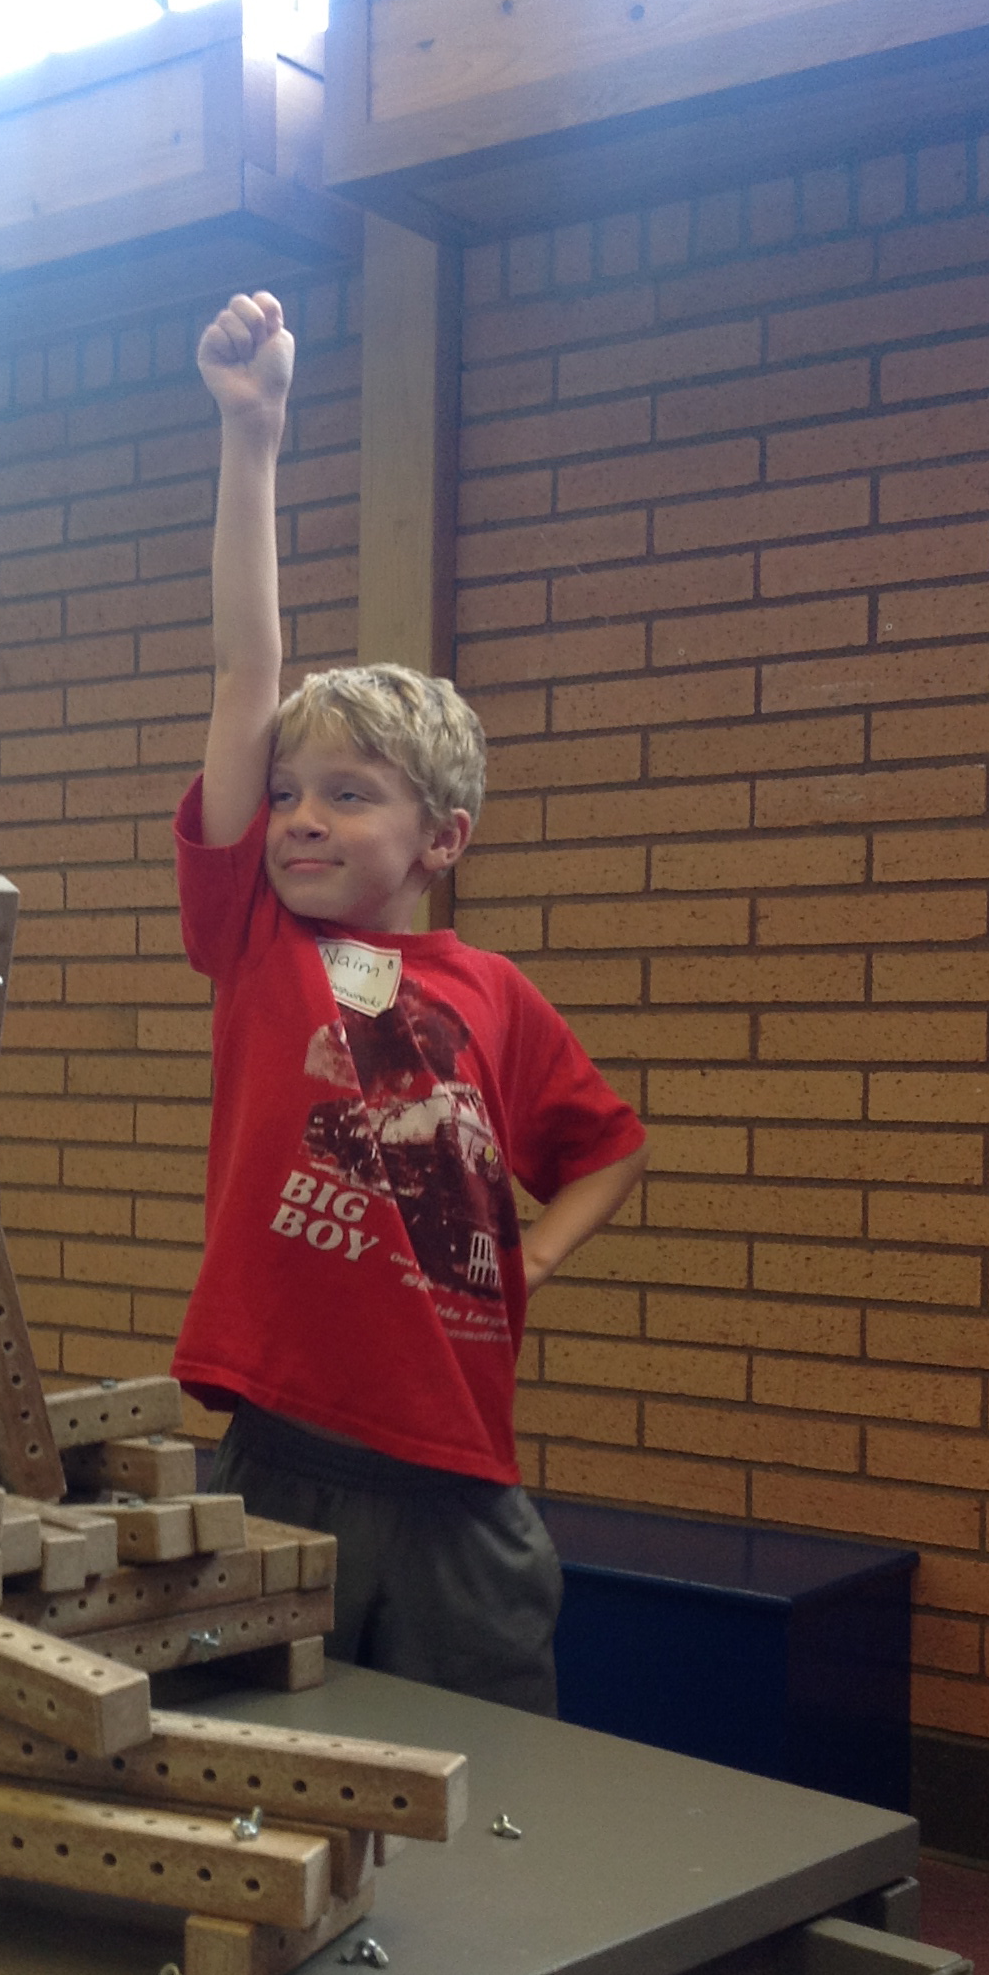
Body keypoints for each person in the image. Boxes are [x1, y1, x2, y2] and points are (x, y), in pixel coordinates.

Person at [173, 290, 647, 1713]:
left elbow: (608, 1149)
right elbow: (247, 668)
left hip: (458, 1480)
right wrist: (252, 437)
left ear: (441, 839)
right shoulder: (259, 941)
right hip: (283, 1457)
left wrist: (540, 1255)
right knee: (265, 1749)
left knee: (489, 1768)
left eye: (349, 794)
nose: (302, 818)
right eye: (288, 793)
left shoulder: (491, 994)